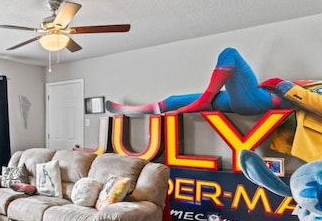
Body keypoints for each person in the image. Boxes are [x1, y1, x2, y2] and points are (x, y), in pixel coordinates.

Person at [105, 47, 322, 162]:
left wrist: (286, 86)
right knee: (177, 100)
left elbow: (314, 103)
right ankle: (131, 110)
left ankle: (206, 100)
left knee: (230, 54)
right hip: (258, 94)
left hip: (264, 101)